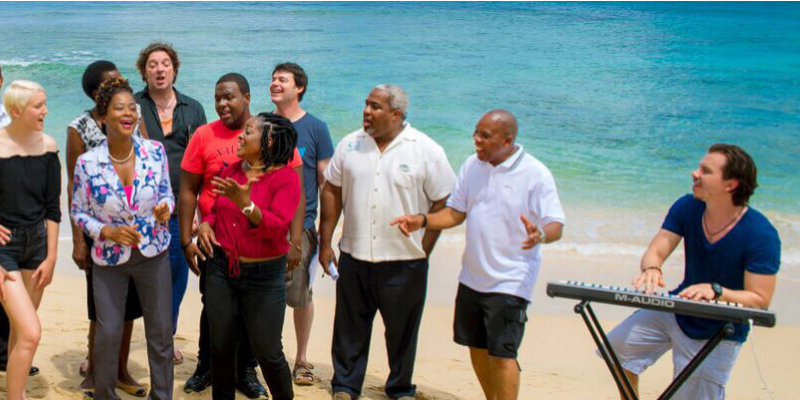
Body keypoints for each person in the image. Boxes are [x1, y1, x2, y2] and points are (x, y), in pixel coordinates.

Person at [391, 110, 565, 400]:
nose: (476, 140)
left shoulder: (536, 174)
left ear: (507, 140)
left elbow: (556, 223)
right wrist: (423, 220)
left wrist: (541, 234)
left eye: (485, 136)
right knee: (476, 346)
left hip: (511, 281)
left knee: (502, 354)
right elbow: (455, 213)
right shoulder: (473, 165)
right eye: (476, 132)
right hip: (472, 277)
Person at [603, 144, 780, 400]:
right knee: (617, 348)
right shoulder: (688, 206)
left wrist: (716, 291)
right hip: (679, 309)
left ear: (730, 184)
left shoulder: (760, 234)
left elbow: (760, 299)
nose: (694, 173)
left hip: (721, 330)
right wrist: (652, 268)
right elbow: (657, 249)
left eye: (705, 171)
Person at [319, 85, 456, 400]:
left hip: (405, 262)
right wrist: (326, 241)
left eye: (375, 106)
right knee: (349, 327)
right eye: (366, 104)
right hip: (354, 255)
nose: (367, 111)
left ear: (396, 114)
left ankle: (399, 387)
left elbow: (443, 201)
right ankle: (345, 385)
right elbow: (332, 190)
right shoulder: (350, 145)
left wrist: (425, 248)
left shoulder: (425, 149)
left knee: (402, 332)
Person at [179, 73, 302, 398]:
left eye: (248, 133)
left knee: (267, 351)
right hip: (222, 267)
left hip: (264, 275)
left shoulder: (286, 179)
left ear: (269, 142)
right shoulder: (233, 171)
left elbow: (277, 228)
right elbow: (218, 211)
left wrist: (247, 205)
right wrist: (205, 225)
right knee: (221, 345)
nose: (239, 138)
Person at [71, 78, 175, 400]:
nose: (129, 113)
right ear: (103, 117)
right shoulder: (88, 164)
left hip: (153, 253)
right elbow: (78, 211)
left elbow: (167, 194)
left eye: (133, 108)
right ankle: (105, 394)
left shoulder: (155, 151)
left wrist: (165, 209)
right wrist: (106, 231)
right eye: (120, 108)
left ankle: (162, 396)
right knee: (109, 332)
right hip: (109, 259)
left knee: (160, 333)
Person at [66, 60, 147, 395]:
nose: (122, 82)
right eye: (113, 80)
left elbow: (148, 162)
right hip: (97, 232)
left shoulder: (133, 116)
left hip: (133, 230)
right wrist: (79, 242)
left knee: (129, 304)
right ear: (96, 90)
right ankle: (95, 369)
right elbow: (73, 187)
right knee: (100, 306)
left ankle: (120, 370)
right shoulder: (79, 127)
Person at [133, 41, 206, 367]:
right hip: (140, 212)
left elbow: (205, 162)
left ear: (174, 69)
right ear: (143, 71)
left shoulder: (193, 108)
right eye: (152, 64)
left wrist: (199, 213)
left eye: (165, 63)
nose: (159, 69)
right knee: (136, 279)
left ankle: (165, 337)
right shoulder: (132, 106)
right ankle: (118, 345)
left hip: (181, 211)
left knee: (176, 276)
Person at [270, 62, 334, 386]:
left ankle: (302, 358)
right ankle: (267, 357)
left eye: (283, 79)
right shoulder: (261, 124)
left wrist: (325, 238)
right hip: (263, 225)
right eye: (273, 79)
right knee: (264, 295)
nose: (275, 83)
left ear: (300, 87)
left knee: (300, 295)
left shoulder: (317, 128)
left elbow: (325, 183)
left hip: (302, 226)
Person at [0, 80, 61, 400]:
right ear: (15, 111)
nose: (46, 110)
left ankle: (15, 392)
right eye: (38, 106)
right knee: (32, 333)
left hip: (38, 247)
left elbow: (53, 208)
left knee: (18, 331)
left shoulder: (49, 146)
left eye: (46, 103)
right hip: (3, 251)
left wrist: (51, 257)